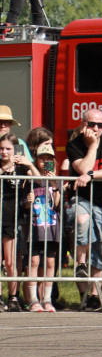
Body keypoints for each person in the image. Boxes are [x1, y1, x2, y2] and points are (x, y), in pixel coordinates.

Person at [66, 109, 102, 311]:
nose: (96, 129)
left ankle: (94, 296)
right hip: (82, 198)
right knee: (82, 220)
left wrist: (91, 175)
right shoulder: (74, 144)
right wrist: (93, 147)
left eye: (100, 125)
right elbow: (82, 167)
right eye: (92, 125)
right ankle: (81, 264)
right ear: (83, 124)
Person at [0, 132, 34, 310]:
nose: (4, 152)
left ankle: (13, 296)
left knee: (11, 261)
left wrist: (28, 163)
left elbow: (39, 178)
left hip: (13, 217)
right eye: (1, 149)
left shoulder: (20, 168)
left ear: (15, 150)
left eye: (8, 149)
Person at [23, 141, 58, 312]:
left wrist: (55, 186)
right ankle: (33, 299)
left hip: (51, 227)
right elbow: (25, 204)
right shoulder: (31, 177)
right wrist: (29, 203)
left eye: (48, 159)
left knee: (50, 262)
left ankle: (47, 298)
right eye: (41, 159)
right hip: (35, 226)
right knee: (34, 261)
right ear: (36, 160)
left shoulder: (55, 180)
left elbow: (58, 204)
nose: (45, 162)